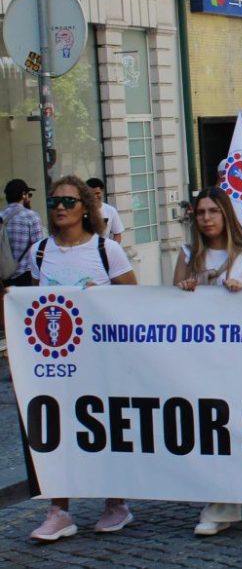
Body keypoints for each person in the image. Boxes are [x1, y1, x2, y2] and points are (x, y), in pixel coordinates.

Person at [27, 176, 137, 542]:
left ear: (85, 209)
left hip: (101, 359)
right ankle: (59, 509)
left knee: (103, 426)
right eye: (54, 201)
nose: (60, 207)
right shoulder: (40, 251)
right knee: (55, 430)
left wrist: (100, 299)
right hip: (56, 360)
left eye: (68, 202)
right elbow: (34, 303)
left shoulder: (107, 250)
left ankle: (116, 503)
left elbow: (134, 300)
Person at [172, 188, 242, 536]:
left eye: (213, 211)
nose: (207, 218)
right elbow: (172, 307)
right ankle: (222, 503)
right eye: (201, 212)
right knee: (214, 427)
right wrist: (186, 290)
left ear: (226, 214)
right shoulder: (189, 254)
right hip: (204, 359)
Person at [2, 178, 43, 287]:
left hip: (3, 278)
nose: (30, 198)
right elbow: (39, 248)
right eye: (29, 194)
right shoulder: (31, 216)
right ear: (23, 195)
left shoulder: (1, 216)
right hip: (25, 275)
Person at [85, 177, 124, 243]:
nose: (94, 197)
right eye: (91, 194)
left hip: (103, 248)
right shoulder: (80, 210)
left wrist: (113, 247)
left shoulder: (111, 211)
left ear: (102, 191)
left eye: (97, 193)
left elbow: (117, 234)